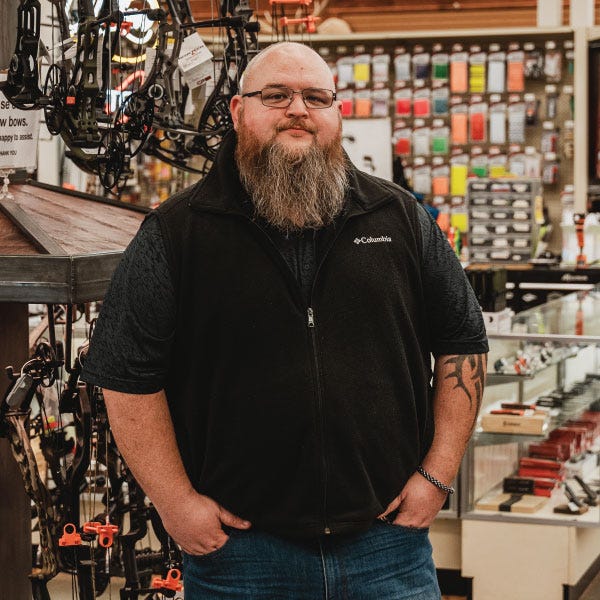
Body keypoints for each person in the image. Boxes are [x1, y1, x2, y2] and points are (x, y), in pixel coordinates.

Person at [81, 42, 488, 599]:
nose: (298, 109)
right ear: (237, 111)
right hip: (241, 556)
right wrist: (176, 504)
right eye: (276, 95)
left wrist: (436, 478)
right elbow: (126, 377)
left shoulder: (398, 218)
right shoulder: (177, 234)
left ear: (337, 112)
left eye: (316, 96)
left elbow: (463, 341)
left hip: (386, 545)